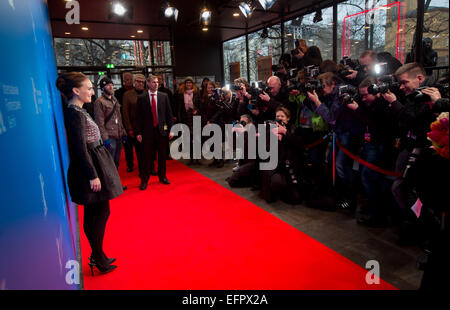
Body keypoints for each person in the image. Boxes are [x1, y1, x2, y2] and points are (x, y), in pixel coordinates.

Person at [56, 72, 122, 275]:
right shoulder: (75, 113)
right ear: (76, 91)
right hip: (90, 167)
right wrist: (93, 175)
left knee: (95, 213)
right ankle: (98, 256)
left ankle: (97, 254)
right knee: (100, 212)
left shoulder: (78, 110)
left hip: (94, 162)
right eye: (89, 87)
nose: (93, 91)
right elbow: (79, 148)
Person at [135, 75, 174, 190]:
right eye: (153, 82)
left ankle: (162, 177)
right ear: (148, 83)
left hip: (161, 132)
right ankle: (144, 180)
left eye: (157, 82)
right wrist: (138, 133)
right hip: (147, 133)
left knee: (162, 156)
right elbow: (138, 118)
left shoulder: (164, 96)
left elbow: (169, 115)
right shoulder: (142, 98)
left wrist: (171, 129)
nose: (156, 84)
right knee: (146, 157)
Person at [260, 107, 304, 204]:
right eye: (277, 116)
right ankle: (276, 191)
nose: (280, 118)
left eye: (282, 116)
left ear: (288, 118)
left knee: (295, 199)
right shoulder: (271, 130)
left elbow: (299, 144)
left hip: (290, 167)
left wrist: (284, 133)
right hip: (276, 167)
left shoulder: (294, 129)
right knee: (277, 182)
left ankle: (286, 191)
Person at [93, 77, 127, 171]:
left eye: (111, 85)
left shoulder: (114, 100)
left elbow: (119, 118)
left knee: (116, 162)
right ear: (103, 88)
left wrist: (123, 132)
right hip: (109, 137)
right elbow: (99, 122)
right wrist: (105, 139)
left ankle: (115, 183)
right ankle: (110, 184)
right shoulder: (99, 102)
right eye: (108, 85)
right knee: (109, 163)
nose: (111, 87)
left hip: (118, 135)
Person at [122, 74, 146, 174]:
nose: (140, 83)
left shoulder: (147, 93)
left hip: (145, 127)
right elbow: (125, 112)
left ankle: (144, 169)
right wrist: (129, 128)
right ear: (134, 82)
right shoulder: (127, 95)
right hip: (132, 127)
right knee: (130, 149)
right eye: (138, 81)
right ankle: (130, 165)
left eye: (142, 82)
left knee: (143, 150)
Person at [177, 77, 201, 165]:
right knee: (189, 140)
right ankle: (191, 158)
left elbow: (200, 105)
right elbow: (179, 108)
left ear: (192, 84)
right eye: (187, 83)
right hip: (185, 118)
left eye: (190, 83)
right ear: (185, 84)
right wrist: (179, 120)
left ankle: (197, 158)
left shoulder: (197, 93)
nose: (188, 84)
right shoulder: (181, 94)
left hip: (195, 117)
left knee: (197, 139)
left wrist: (197, 110)